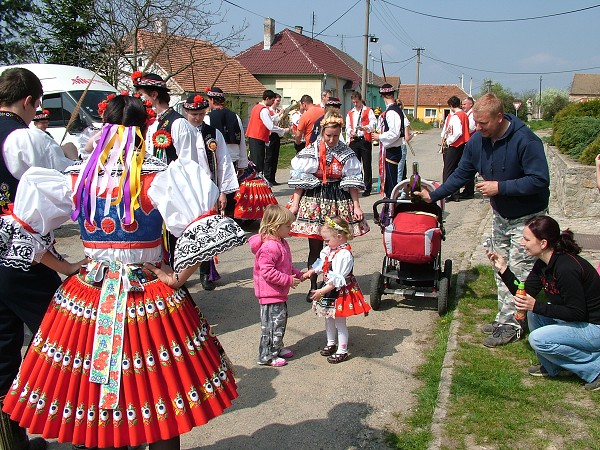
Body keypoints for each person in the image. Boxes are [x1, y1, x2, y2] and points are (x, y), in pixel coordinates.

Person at [1, 93, 245, 449]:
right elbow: (202, 228)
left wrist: (66, 266)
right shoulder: (159, 175)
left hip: (88, 293)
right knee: (158, 391)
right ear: (145, 127)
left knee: (91, 391)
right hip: (146, 290)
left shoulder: (77, 177)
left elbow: (23, 231)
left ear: (105, 127)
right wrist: (177, 277)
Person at [416, 93, 550, 347]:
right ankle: (505, 318)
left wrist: (501, 187)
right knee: (501, 268)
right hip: (502, 215)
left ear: (500, 118)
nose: (477, 128)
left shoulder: (526, 140)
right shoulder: (478, 141)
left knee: (520, 271)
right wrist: (433, 195)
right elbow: (460, 174)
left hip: (527, 217)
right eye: (475, 123)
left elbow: (540, 180)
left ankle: (515, 323)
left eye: (483, 123)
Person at [0, 67, 79, 450]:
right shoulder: (23, 138)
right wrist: (66, 154)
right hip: (22, 258)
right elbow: (60, 191)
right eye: (37, 106)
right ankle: (85, 430)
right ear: (30, 101)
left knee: (1, 349)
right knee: (66, 341)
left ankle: (10, 441)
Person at [487, 215, 600, 390]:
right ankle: (553, 367)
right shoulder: (543, 264)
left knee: (538, 339)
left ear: (543, 243)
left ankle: (595, 369)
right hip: (578, 321)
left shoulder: (566, 268)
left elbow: (577, 313)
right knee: (534, 314)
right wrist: (503, 269)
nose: (522, 243)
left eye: (526, 239)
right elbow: (523, 292)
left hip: (594, 327)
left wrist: (536, 305)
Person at [288, 110, 369, 302]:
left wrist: (356, 207)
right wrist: (295, 204)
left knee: (338, 247)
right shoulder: (311, 151)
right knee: (315, 247)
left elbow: (352, 183)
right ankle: (314, 286)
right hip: (314, 199)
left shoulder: (347, 153)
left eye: (335, 135)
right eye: (328, 135)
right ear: (321, 132)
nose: (332, 139)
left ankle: (335, 285)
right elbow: (301, 181)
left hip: (338, 200)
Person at [132, 71, 210, 267]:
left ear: (154, 95)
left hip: (171, 190)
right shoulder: (149, 124)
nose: (139, 98)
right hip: (151, 189)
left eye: (142, 94)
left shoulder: (178, 123)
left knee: (174, 235)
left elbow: (187, 163)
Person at [183, 93, 238, 291]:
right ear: (185, 111)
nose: (196, 118)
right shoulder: (179, 131)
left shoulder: (213, 134)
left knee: (206, 230)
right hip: (185, 189)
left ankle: (206, 272)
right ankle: (181, 270)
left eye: (200, 114)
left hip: (208, 188)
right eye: (193, 114)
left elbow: (223, 162)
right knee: (184, 231)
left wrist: (222, 191)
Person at [303, 216, 371, 364]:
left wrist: (321, 291)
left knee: (339, 321)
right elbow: (323, 264)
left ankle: (342, 349)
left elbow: (337, 279)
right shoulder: (330, 249)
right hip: (329, 289)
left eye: (327, 240)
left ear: (339, 236)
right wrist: (312, 271)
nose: (325, 243)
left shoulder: (344, 254)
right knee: (328, 318)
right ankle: (331, 342)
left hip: (339, 291)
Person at [249, 205, 305, 367]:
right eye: (287, 226)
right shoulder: (269, 247)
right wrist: (288, 280)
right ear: (275, 226)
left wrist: (299, 274)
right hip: (269, 295)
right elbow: (268, 273)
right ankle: (266, 355)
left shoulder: (281, 242)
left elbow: (284, 266)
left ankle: (277, 347)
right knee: (271, 326)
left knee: (279, 322)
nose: (290, 228)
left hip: (278, 293)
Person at [204, 86, 248, 217]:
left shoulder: (207, 118)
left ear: (211, 100)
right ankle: (228, 218)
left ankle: (217, 218)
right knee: (229, 194)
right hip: (233, 160)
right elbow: (242, 141)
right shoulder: (235, 117)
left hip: (214, 161)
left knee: (214, 193)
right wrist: (242, 163)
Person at [372, 84, 410, 197]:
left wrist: (380, 137)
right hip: (393, 149)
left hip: (392, 151)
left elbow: (394, 132)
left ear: (383, 96)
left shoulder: (392, 112)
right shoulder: (395, 110)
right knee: (390, 181)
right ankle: (390, 205)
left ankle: (391, 207)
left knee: (391, 183)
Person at [246, 90, 287, 176]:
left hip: (254, 137)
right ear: (267, 99)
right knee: (258, 164)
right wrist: (283, 130)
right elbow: (270, 126)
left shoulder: (257, 107)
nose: (273, 103)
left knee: (256, 162)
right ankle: (259, 185)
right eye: (272, 100)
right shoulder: (263, 110)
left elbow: (269, 119)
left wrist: (278, 115)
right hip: (258, 138)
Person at [440, 96, 471, 203]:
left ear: (451, 105)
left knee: (448, 170)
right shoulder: (464, 115)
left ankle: (447, 193)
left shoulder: (456, 116)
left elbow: (457, 132)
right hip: (462, 145)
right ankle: (455, 193)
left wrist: (448, 141)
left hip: (455, 146)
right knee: (457, 170)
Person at [346, 91, 377, 197]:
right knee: (355, 165)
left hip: (364, 139)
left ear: (360, 100)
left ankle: (368, 187)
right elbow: (348, 126)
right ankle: (357, 185)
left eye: (357, 102)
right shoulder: (350, 113)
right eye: (353, 102)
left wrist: (366, 127)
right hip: (354, 140)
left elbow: (374, 123)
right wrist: (350, 132)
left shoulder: (368, 110)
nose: (355, 104)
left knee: (367, 164)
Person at [460, 96, 477, 199]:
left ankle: (469, 191)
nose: (463, 106)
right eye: (462, 104)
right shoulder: (467, 114)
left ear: (471, 104)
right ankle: (467, 189)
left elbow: (470, 128)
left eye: (465, 104)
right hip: (468, 142)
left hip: (471, 142)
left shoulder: (472, 115)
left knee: (469, 166)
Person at [265, 93, 285, 185]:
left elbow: (280, 121)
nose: (278, 103)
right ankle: (267, 177)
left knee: (275, 157)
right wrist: (278, 115)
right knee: (269, 156)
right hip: (270, 135)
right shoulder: (268, 110)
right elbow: (270, 121)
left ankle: (273, 178)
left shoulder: (278, 110)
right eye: (277, 101)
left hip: (277, 135)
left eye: (279, 101)